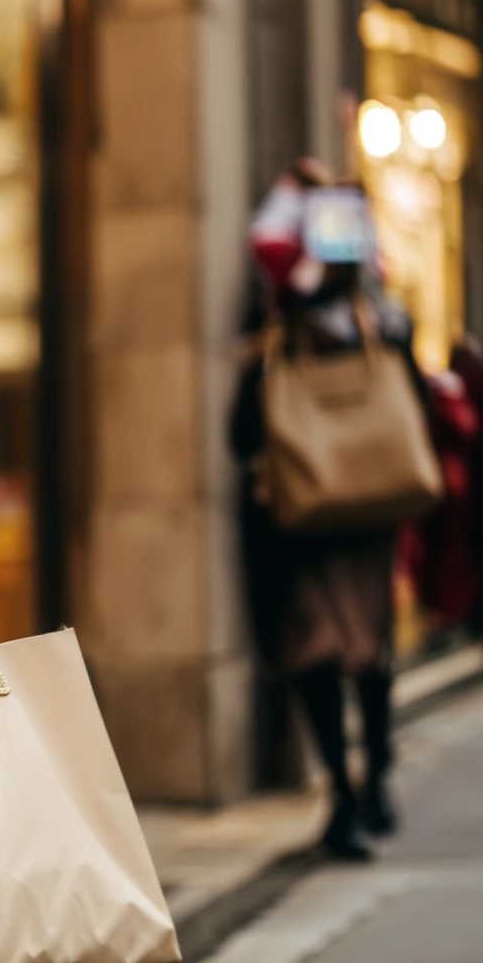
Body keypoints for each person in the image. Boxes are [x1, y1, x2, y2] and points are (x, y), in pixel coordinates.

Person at [230, 159, 419, 861]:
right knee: (348, 652)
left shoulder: (378, 322)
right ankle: (356, 790)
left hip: (328, 515)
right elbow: (242, 434)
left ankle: (358, 788)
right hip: (325, 519)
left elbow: (241, 434)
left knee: (348, 652)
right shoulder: (299, 326)